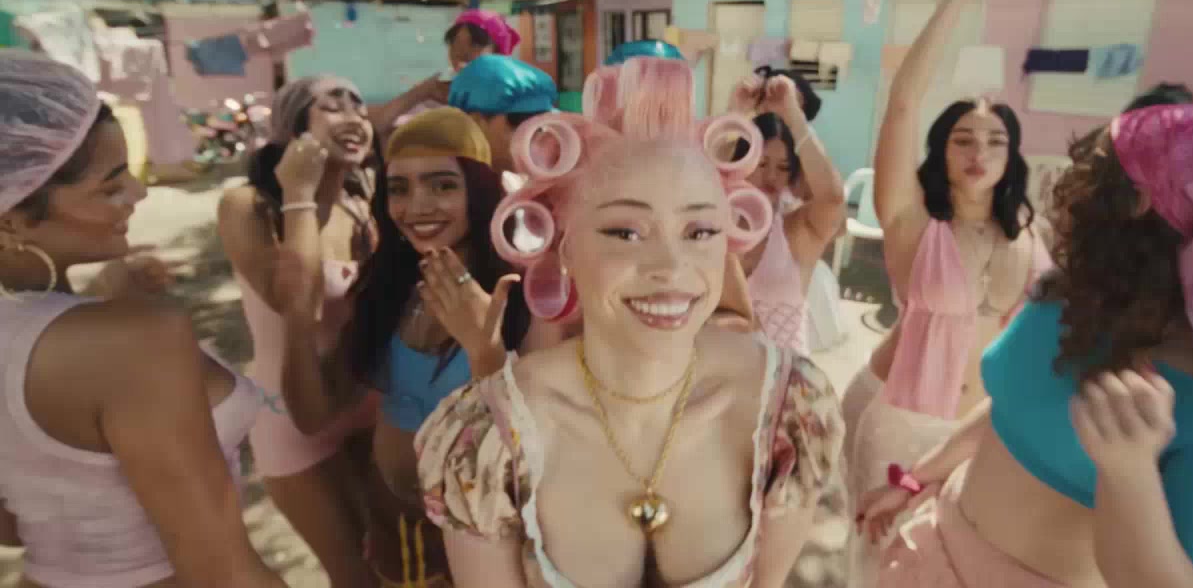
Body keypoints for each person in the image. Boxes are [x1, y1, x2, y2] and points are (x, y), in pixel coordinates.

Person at [415, 56, 844, 588]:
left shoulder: (788, 410)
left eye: (699, 232)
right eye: (626, 232)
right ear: (565, 246)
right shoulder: (490, 436)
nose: (670, 268)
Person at [858, 103, 1193, 588]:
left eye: (1100, 180)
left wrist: (1129, 473)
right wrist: (920, 477)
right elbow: (1014, 408)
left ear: (1141, 205)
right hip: (928, 550)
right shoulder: (1079, 295)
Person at [0, 50, 283, 588]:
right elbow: (225, 573)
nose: (139, 192)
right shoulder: (137, 340)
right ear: (12, 217)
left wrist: (97, 302)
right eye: (110, 186)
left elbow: (14, 525)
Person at [840, 0, 1052, 586]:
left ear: (1012, 155)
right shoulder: (913, 222)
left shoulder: (1030, 232)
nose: (979, 152)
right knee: (881, 569)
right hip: (906, 425)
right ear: (941, 151)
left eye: (995, 140)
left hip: (985, 434)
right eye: (963, 139)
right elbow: (902, 105)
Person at [272, 107, 532, 586]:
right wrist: (296, 315)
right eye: (399, 188)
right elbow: (313, 414)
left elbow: (531, 455)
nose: (417, 206)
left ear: (479, 191)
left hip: (484, 538)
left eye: (442, 185)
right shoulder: (387, 290)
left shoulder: (520, 296)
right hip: (394, 525)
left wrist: (485, 350)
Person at [218, 76, 381, 588]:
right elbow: (299, 306)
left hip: (362, 401)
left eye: (359, 106)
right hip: (290, 419)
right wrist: (299, 195)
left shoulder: (362, 205)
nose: (353, 116)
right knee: (354, 575)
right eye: (332, 107)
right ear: (293, 130)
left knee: (389, 560)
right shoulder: (248, 206)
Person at [728, 73, 845, 356]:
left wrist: (794, 117)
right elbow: (692, 177)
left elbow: (832, 199)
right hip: (711, 373)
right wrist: (734, 115)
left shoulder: (795, 230)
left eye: (782, 168)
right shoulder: (711, 225)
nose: (771, 176)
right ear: (741, 161)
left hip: (780, 374)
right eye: (761, 163)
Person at [370, 10, 522, 136]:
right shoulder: (434, 95)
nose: (461, 52)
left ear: (497, 54)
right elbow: (377, 127)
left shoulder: (512, 101)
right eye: (455, 43)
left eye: (474, 44)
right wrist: (421, 91)